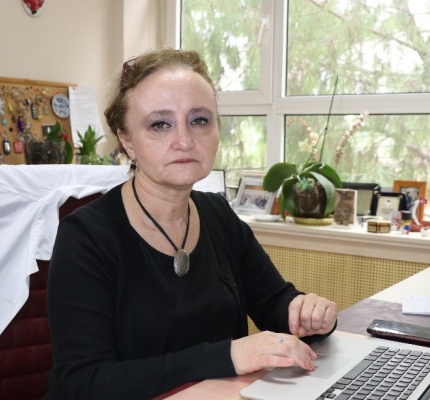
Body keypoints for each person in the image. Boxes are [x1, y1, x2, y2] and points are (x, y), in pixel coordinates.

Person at [44, 48, 338, 399]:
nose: (184, 141)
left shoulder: (218, 214)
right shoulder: (86, 237)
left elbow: (274, 302)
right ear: (126, 140)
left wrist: (307, 313)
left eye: (199, 120)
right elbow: (84, 382)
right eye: (160, 124)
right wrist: (228, 356)